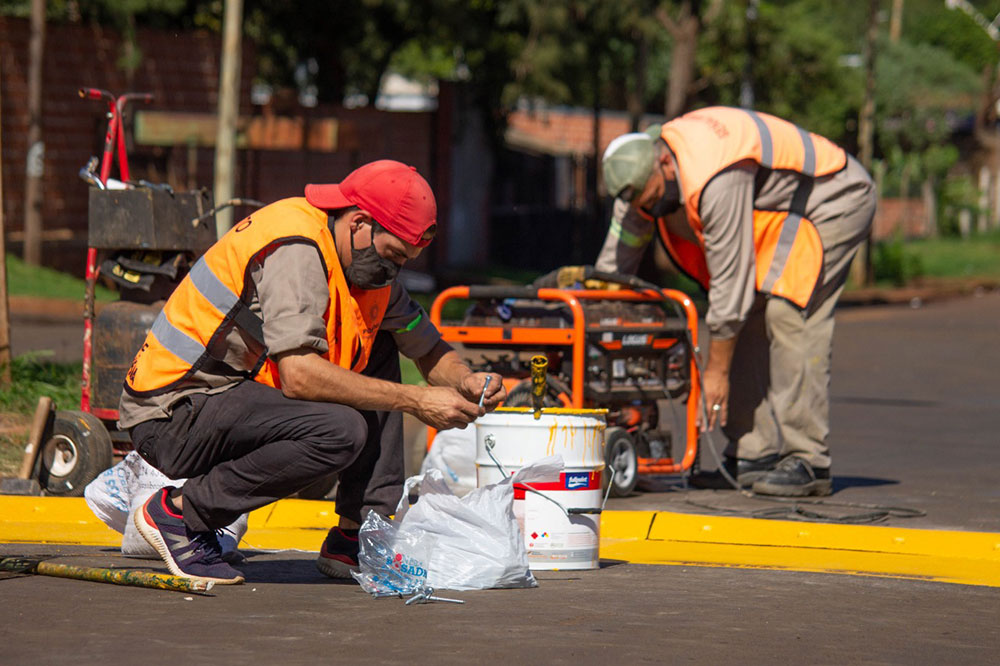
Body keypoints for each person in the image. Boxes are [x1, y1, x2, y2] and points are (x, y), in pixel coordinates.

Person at [120, 160, 505, 584]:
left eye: (406, 261)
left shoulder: (363, 269)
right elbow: (300, 376)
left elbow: (428, 347)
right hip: (173, 415)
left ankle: (357, 536)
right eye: (393, 255)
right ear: (359, 223)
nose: (393, 272)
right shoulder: (297, 247)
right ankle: (179, 515)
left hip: (225, 400)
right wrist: (416, 400)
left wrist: (466, 378)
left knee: (377, 349)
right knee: (341, 430)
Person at [598, 107, 875, 497]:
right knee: (751, 313)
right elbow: (613, 267)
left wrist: (716, 373)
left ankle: (810, 460)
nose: (649, 209)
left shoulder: (715, 175)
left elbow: (730, 288)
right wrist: (600, 311)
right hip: (783, 210)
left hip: (832, 198)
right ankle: (751, 453)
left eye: (653, 197)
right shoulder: (642, 172)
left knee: (788, 311)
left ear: (664, 163)